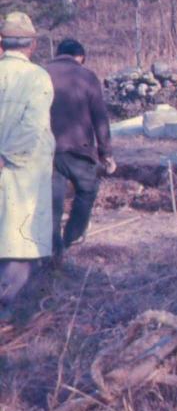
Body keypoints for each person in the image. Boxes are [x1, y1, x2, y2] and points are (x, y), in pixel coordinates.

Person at [0, 12, 55, 321]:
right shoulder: (37, 77)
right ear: (32, 45)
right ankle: (6, 314)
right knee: (17, 244)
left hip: (12, 169)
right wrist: (6, 156)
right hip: (20, 174)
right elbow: (33, 127)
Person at [46, 39, 115, 259]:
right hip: (79, 150)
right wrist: (106, 153)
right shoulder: (87, 76)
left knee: (52, 203)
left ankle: (54, 251)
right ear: (81, 57)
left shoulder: (40, 73)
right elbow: (100, 118)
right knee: (86, 191)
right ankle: (71, 238)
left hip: (47, 151)